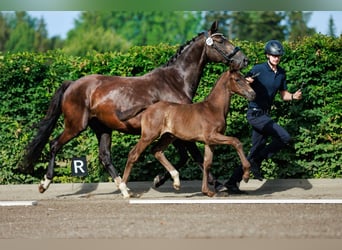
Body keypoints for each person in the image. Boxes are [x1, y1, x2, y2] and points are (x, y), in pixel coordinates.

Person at [225, 40, 302, 194]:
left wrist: (293, 96)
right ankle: (257, 161)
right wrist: (249, 81)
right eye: (273, 55)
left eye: (278, 55)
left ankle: (232, 183)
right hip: (255, 113)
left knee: (253, 152)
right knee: (284, 137)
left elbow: (283, 95)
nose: (276, 58)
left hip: (265, 114)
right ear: (268, 55)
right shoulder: (258, 68)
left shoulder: (281, 73)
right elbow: (242, 82)